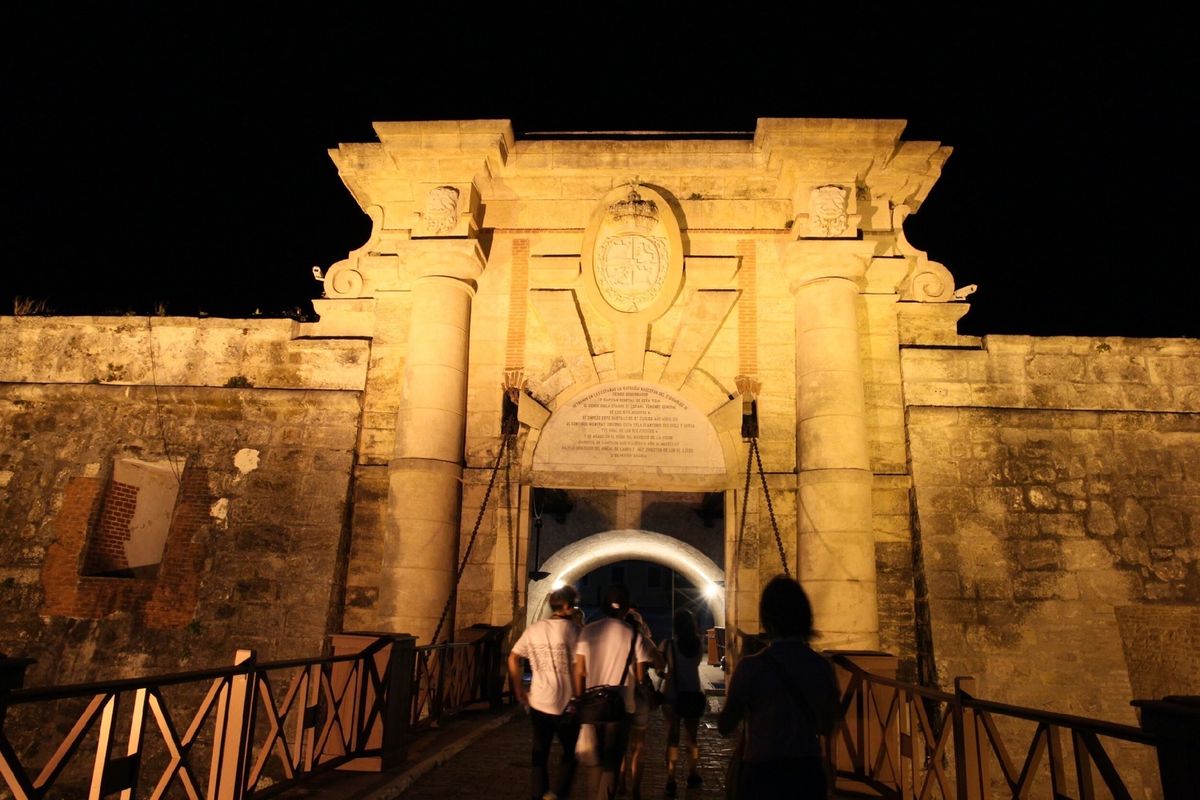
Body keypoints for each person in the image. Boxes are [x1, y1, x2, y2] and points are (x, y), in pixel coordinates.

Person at [717, 575, 840, 798]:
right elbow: (827, 724)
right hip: (806, 774)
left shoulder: (751, 668)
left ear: (768, 620)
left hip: (762, 773)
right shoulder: (822, 667)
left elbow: (726, 725)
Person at [573, 585, 657, 800]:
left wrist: (579, 702)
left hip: (592, 703)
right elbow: (640, 675)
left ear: (603, 607)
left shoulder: (588, 630)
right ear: (626, 608)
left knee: (595, 760)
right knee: (612, 761)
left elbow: (580, 671)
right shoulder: (632, 634)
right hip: (621, 704)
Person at [509, 586, 583, 800]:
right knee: (569, 753)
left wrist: (518, 687)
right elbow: (580, 667)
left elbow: (513, 657)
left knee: (540, 751)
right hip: (565, 702)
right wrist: (579, 696)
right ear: (568, 607)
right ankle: (559, 793)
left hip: (539, 701)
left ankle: (538, 794)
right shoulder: (574, 631)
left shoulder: (534, 630)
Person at [659, 609, 706, 796]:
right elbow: (694, 665)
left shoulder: (668, 644)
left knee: (672, 739)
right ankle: (693, 774)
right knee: (692, 738)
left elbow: (660, 668)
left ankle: (671, 779)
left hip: (672, 695)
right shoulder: (697, 644)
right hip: (693, 692)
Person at [621, 605, 665, 800]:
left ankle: (621, 783)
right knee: (638, 745)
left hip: (620, 694)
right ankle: (636, 789)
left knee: (620, 744)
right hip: (639, 696)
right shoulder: (642, 640)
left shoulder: (615, 637)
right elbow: (659, 663)